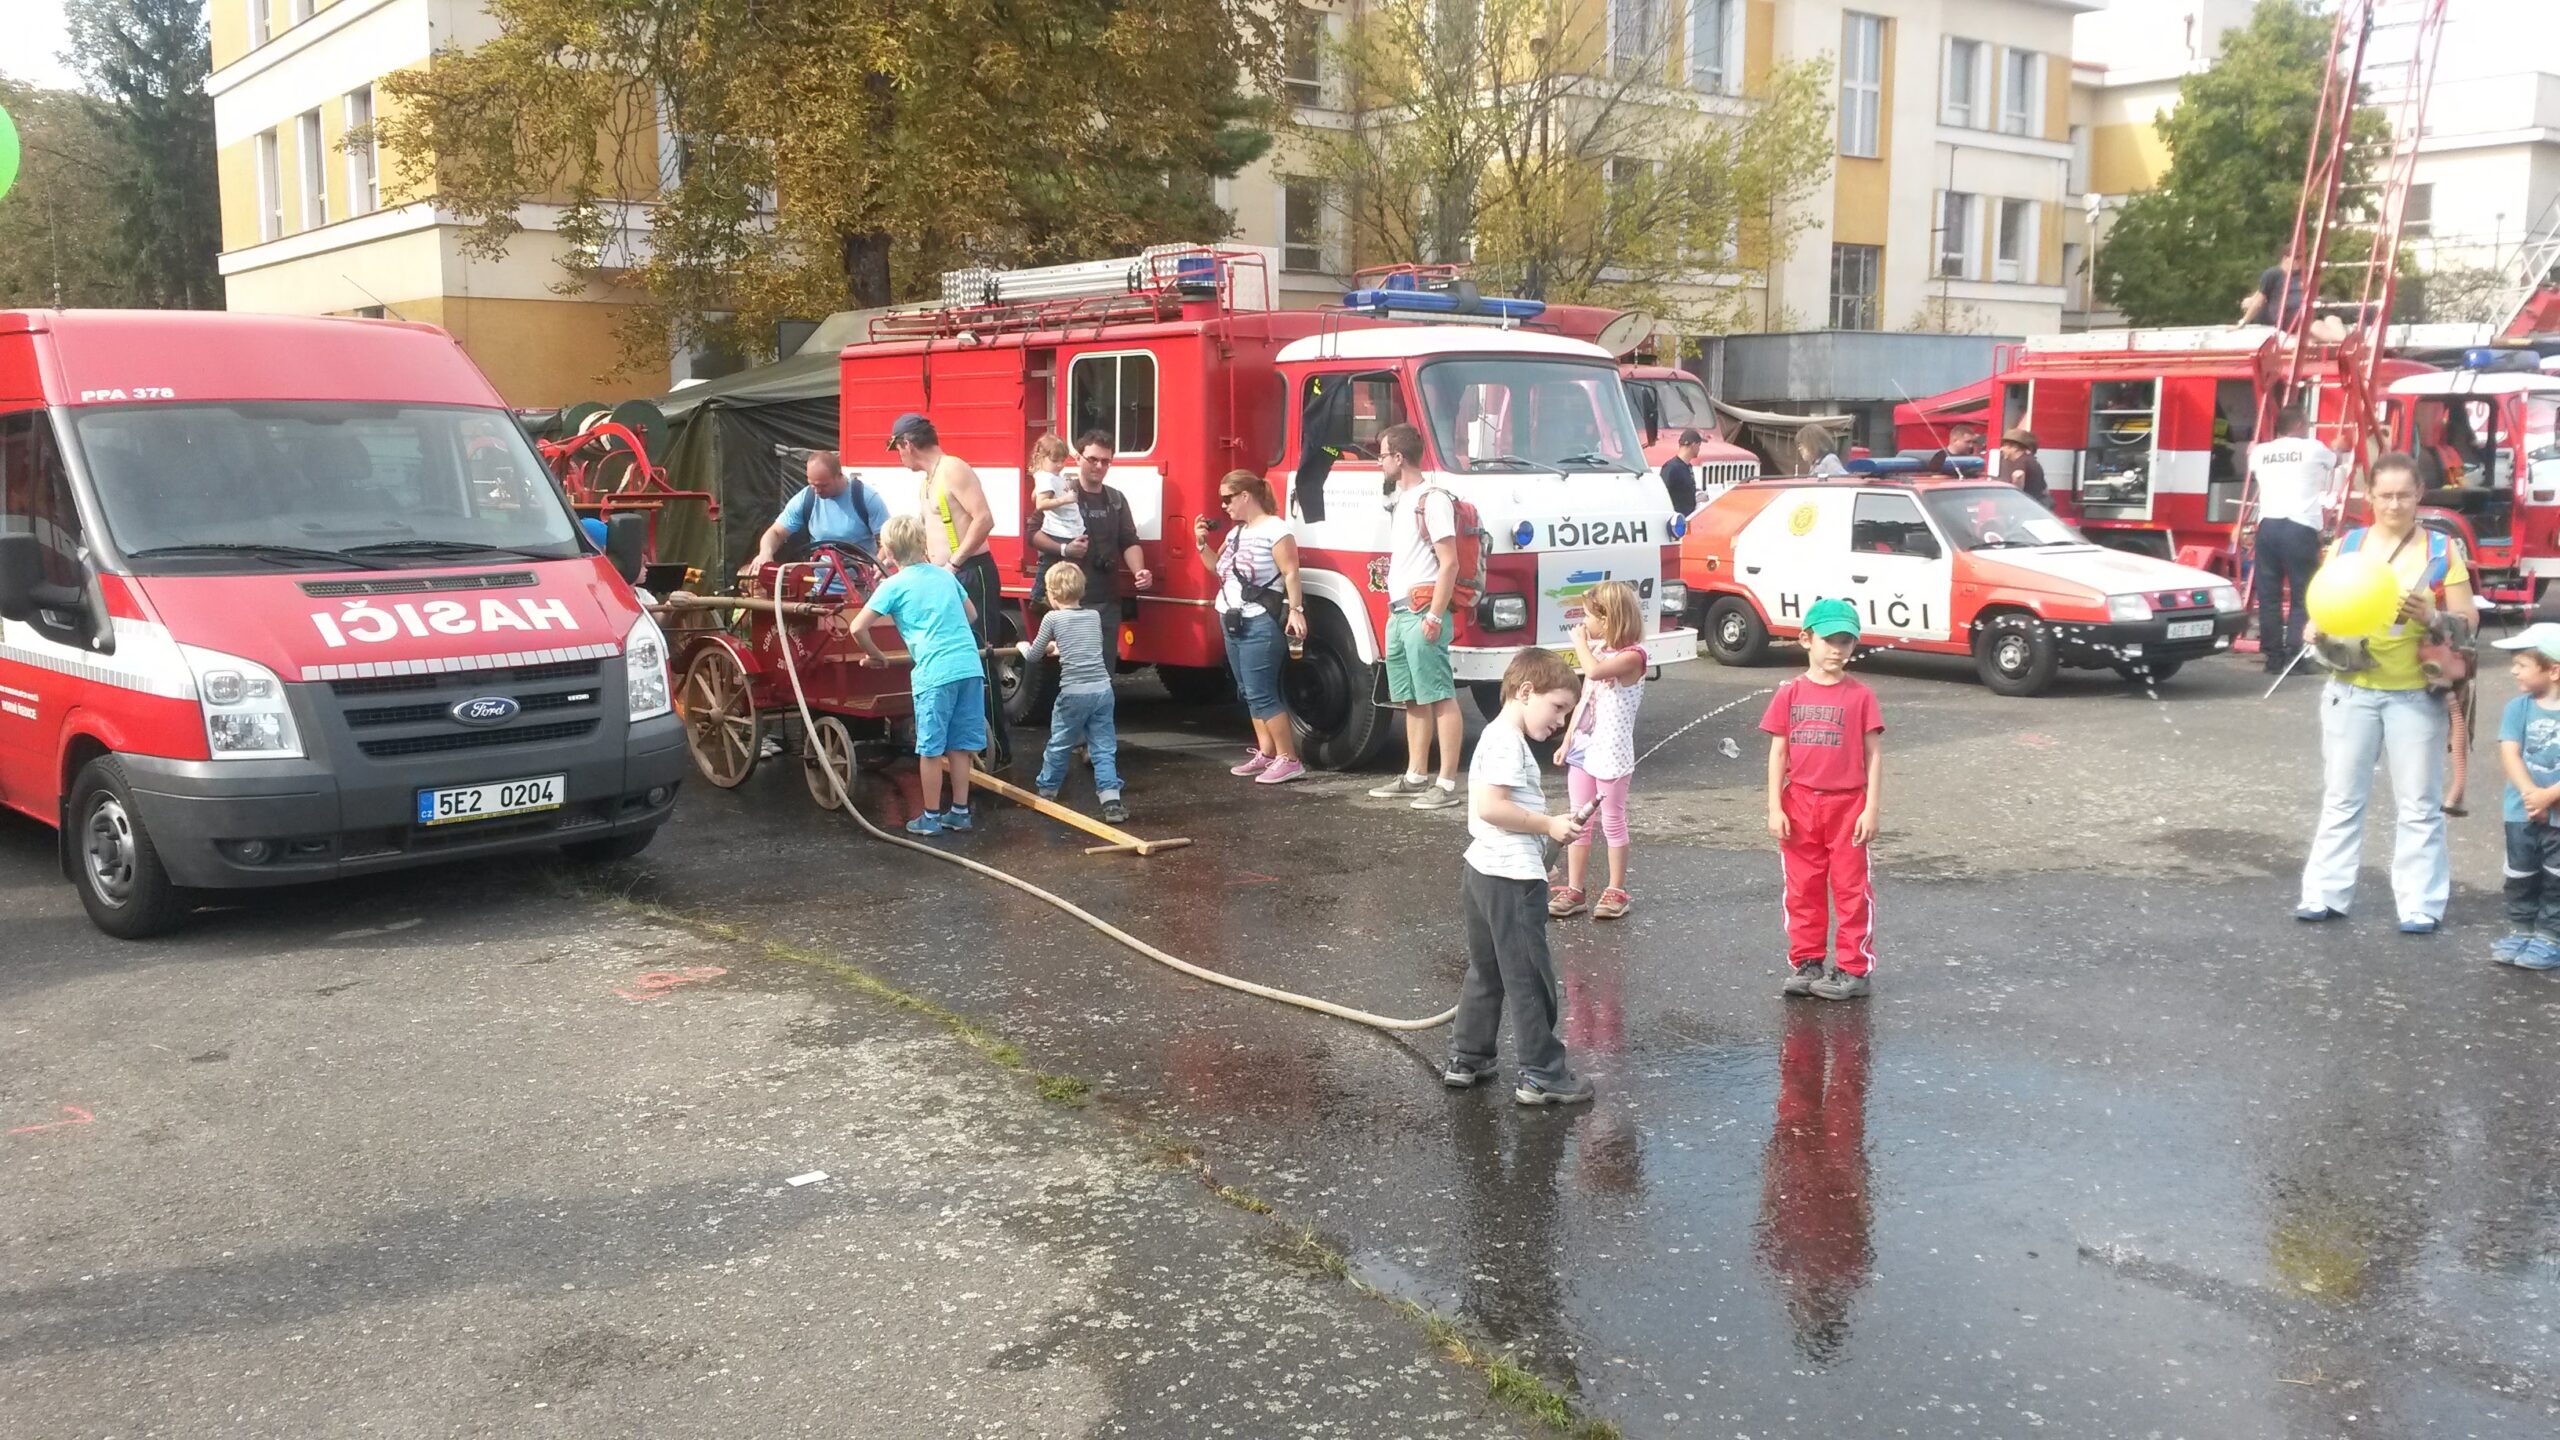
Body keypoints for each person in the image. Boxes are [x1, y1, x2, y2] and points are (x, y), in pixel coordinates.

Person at [2297, 453, 2472, 934]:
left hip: (2416, 693)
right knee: (2341, 797)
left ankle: (2420, 904)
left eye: (2404, 495)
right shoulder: (2348, 545)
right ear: (2369, 497)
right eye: (2385, 495)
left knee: (2418, 804)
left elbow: (2469, 621)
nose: (2394, 505)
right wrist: (2315, 627)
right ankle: (2323, 895)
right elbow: (2326, 602)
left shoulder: (2441, 550)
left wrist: (2432, 616)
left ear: (2420, 495)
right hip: (2350, 688)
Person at [1442, 645, 1592, 1106]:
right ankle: (1542, 1074)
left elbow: (1497, 815)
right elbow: (1493, 807)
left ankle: (1469, 1057)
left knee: (1486, 971)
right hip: (1510, 880)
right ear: (1526, 692)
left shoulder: (1496, 736)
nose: (1561, 721)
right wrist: (1548, 825)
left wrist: (1542, 843)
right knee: (1528, 977)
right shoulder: (1507, 741)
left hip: (1482, 871)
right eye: (1558, 707)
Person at [1763, 598, 1885, 1001]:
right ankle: (1808, 961)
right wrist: (1775, 807)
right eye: (1828, 639)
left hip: (1847, 806)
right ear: (1806, 639)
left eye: (1845, 641)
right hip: (1799, 804)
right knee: (1802, 888)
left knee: (1851, 890)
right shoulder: (1790, 693)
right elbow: (1778, 753)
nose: (1837, 649)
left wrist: (1870, 808)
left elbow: (1873, 754)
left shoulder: (1861, 696)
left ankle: (1853, 968)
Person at [846, 514, 985, 837]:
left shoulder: (892, 585)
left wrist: (877, 656)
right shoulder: (945, 576)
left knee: (931, 749)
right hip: (969, 667)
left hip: (935, 672)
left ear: (889, 551)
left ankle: (931, 817)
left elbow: (857, 627)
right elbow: (971, 615)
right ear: (923, 544)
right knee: (961, 746)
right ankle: (960, 812)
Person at [889, 413, 1008, 766]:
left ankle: (997, 750)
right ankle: (965, 746)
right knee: (954, 659)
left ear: (907, 443)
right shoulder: (928, 480)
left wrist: (954, 564)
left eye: (897, 448)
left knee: (980, 657)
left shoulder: (953, 468)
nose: (899, 456)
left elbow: (984, 519)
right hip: (946, 575)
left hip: (971, 572)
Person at [1366, 422, 1466, 810]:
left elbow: (1450, 562)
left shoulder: (1432, 499)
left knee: (1439, 695)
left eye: (1382, 455)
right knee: (1410, 698)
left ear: (1399, 457)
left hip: (1422, 609)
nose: (1379, 462)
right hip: (1401, 612)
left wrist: (1435, 616)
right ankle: (1415, 776)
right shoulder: (1405, 499)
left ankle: (1446, 783)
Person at [1195, 469, 1308, 786]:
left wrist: (1296, 610)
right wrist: (1201, 544)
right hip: (1231, 617)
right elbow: (1217, 568)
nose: (1224, 506)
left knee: (1262, 692)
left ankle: (1289, 760)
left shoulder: (1276, 529)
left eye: (1227, 498)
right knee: (1247, 691)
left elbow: (1291, 572)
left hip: (1259, 620)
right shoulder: (1235, 533)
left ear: (1245, 496)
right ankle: (1267, 752)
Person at [1550, 581, 1648, 921]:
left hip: (1613, 754)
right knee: (1578, 818)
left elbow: (1593, 671)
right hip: (1584, 749)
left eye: (1588, 616)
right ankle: (1575, 889)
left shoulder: (1632, 657)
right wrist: (1567, 740)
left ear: (1607, 619)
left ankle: (1616, 889)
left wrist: (1579, 642)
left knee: (1613, 820)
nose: (1583, 623)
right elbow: (1585, 700)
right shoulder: (1600, 651)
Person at [1018, 564, 1126, 822]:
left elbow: (1034, 656)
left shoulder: (1052, 619)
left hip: (1074, 693)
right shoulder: (1093, 616)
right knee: (1103, 747)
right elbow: (1085, 647)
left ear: (1052, 594)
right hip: (1102, 690)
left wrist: (1023, 646)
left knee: (1060, 743)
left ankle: (1047, 792)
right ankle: (1111, 801)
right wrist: (1059, 648)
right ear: (1082, 590)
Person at [1028, 431, 1155, 627]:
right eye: (1093, 459)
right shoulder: (1062, 492)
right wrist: (1065, 549)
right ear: (1078, 458)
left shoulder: (1116, 499)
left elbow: (1129, 540)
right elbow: (1033, 534)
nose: (1099, 466)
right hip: (1067, 603)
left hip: (1107, 602)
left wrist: (1140, 571)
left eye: (1105, 461)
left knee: (1106, 649)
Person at [2490, 624, 2560, 970]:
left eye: (2521, 664)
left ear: (2553, 670)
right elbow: (2510, 752)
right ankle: (2522, 929)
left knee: (2556, 878)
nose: (2513, 670)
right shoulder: (2518, 707)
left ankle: (2551, 935)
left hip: (2554, 811)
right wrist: (2531, 794)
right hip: (2521, 809)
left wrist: (2549, 796)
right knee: (2520, 874)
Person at [2247, 406, 2335, 674]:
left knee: (2269, 596)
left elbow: (2251, 462)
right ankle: (2297, 656)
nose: (2308, 428)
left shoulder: (2261, 451)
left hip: (2268, 527)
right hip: (2299, 526)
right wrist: (2339, 447)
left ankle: (2273, 658)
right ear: (2298, 424)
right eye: (2306, 424)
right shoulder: (2313, 448)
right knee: (2303, 594)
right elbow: (2335, 461)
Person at [741, 449, 891, 574]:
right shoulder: (806, 499)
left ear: (839, 475)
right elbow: (775, 532)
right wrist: (765, 553)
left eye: (823, 485)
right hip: (819, 588)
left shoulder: (866, 498)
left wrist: (877, 564)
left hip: (862, 589)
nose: (817, 491)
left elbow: (888, 541)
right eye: (812, 484)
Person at [1028, 433, 1083, 553]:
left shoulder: (1050, 476)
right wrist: (1065, 499)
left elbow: (1035, 497)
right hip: (1060, 532)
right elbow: (1040, 504)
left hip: (1065, 530)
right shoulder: (1046, 478)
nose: (1060, 465)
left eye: (1063, 461)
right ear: (1040, 458)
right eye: (1054, 460)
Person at [1998, 428, 2048, 505]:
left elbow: (2018, 475)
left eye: (2005, 446)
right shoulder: (2030, 460)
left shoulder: (2021, 462)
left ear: (2015, 448)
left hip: (2025, 506)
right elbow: (2045, 490)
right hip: (2034, 504)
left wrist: (2015, 497)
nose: (2001, 449)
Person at [1661, 429, 1703, 514]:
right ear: (1693, 445)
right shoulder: (1671, 468)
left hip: (1690, 516)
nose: (1699, 449)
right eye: (1699, 446)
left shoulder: (1688, 467)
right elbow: (1663, 495)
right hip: (1677, 517)